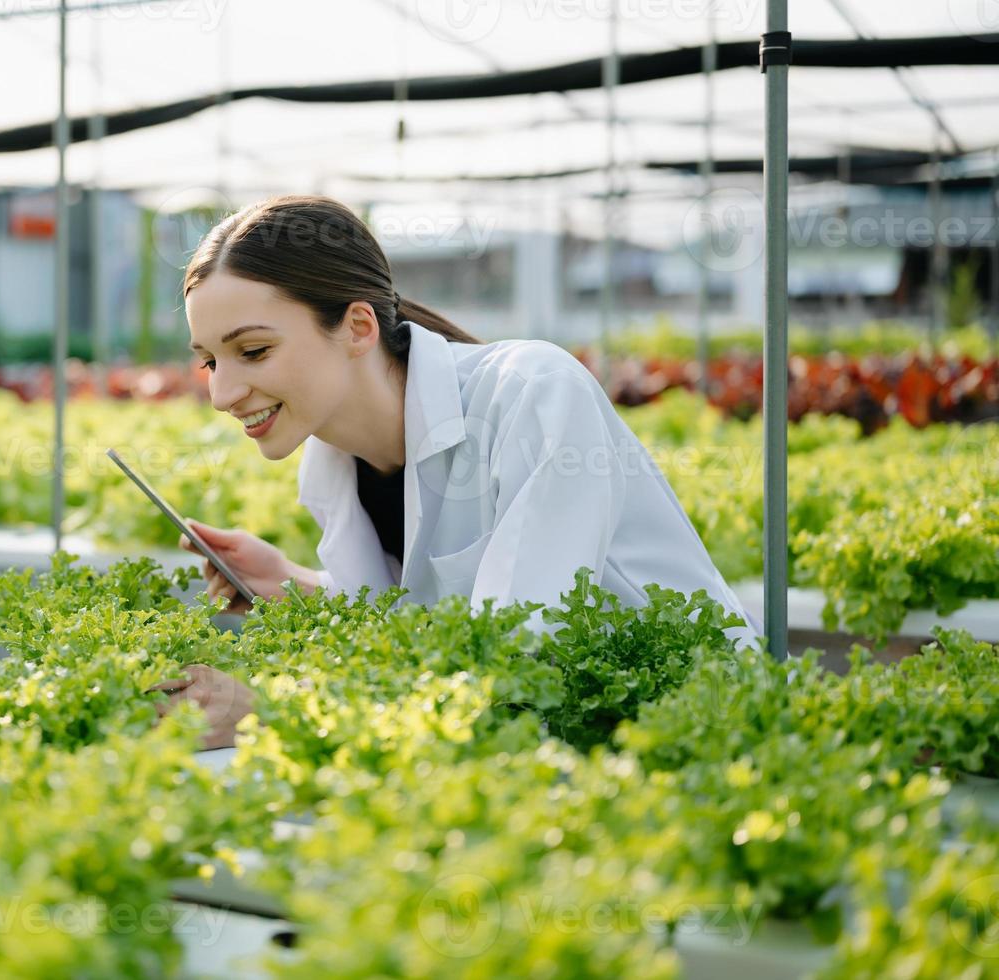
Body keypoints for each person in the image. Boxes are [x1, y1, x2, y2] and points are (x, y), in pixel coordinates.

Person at [153, 194, 759, 749]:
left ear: (358, 328)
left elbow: (513, 665)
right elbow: (422, 624)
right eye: (209, 360)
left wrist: (271, 712)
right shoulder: (329, 459)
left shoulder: (531, 394)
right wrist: (290, 582)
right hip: (565, 762)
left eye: (253, 351)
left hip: (707, 750)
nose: (222, 393)